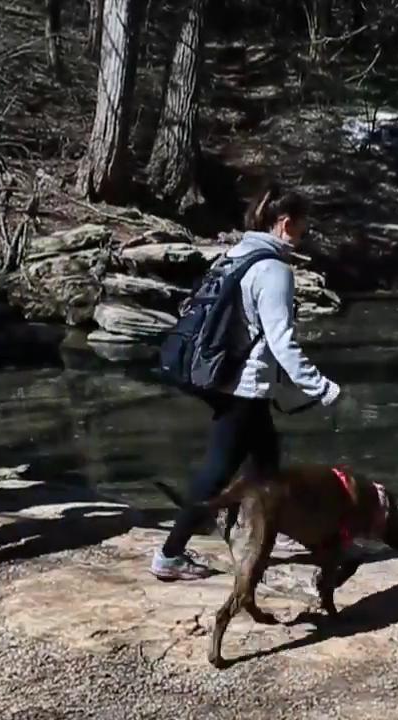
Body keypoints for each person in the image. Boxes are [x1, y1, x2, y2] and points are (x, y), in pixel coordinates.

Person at [150, 186, 343, 581]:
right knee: (217, 471)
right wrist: (321, 388)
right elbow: (281, 342)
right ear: (286, 224)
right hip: (243, 386)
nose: (303, 237)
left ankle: (270, 528)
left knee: (267, 464)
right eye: (303, 230)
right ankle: (170, 554)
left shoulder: (237, 254)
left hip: (220, 376)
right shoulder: (274, 270)